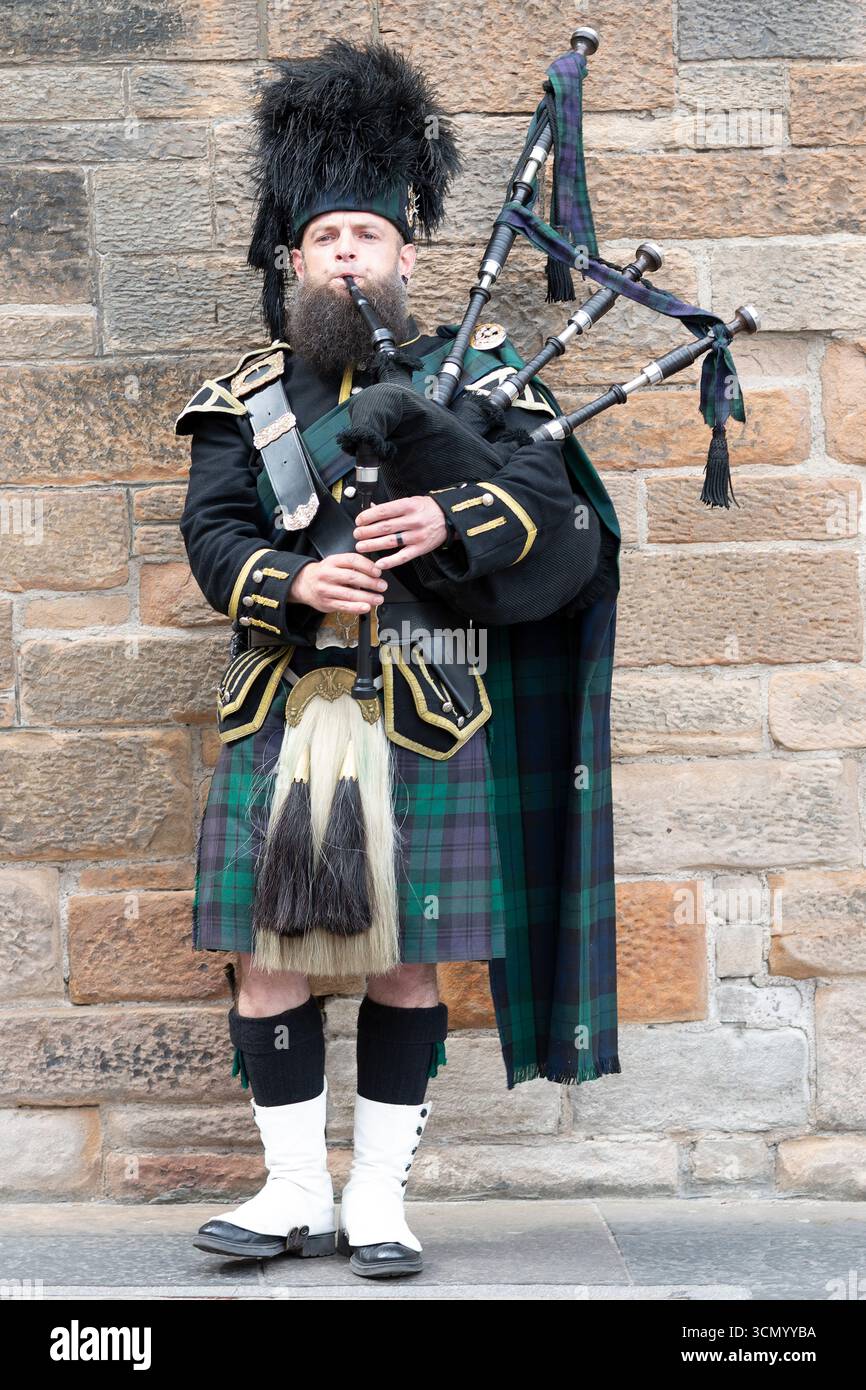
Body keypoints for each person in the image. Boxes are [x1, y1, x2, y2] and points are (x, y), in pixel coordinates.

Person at [174, 37, 621, 1279]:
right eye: (326, 241)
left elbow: (560, 518)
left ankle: (378, 1199)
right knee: (267, 956)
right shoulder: (246, 399)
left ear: (405, 256)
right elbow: (212, 534)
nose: (347, 256)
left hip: (424, 707)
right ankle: (286, 1194)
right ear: (296, 260)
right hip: (290, 695)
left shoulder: (480, 383)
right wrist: (292, 578)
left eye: (367, 236)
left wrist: (446, 516)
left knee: (406, 959)